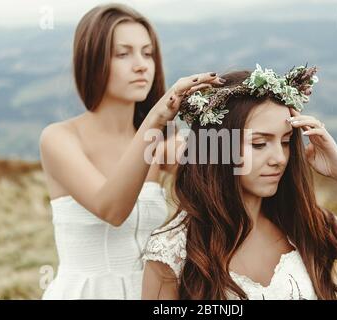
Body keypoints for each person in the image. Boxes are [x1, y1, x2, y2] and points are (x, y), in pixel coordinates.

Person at [142, 64, 337, 299]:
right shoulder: (174, 250)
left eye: (286, 142)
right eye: (260, 143)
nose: (279, 158)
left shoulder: (304, 225)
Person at [39, 3, 225, 299]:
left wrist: (255, 108)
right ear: (92, 60)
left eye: (147, 53)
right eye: (123, 54)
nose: (141, 65)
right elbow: (111, 209)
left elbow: (235, 164)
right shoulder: (58, 139)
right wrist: (156, 118)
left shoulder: (162, 144)